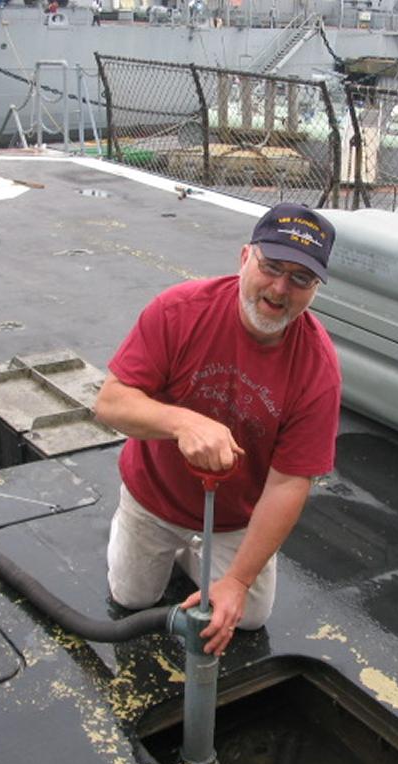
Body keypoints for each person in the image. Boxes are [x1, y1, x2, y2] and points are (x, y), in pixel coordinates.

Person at [95, 203, 342, 657]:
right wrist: (182, 421)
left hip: (234, 519)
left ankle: (204, 557)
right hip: (154, 498)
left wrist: (238, 581)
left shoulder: (317, 366)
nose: (280, 288)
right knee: (131, 599)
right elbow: (110, 402)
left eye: (300, 278)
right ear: (245, 257)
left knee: (248, 616)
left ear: (315, 290)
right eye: (271, 267)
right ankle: (162, 542)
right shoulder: (179, 311)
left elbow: (290, 482)